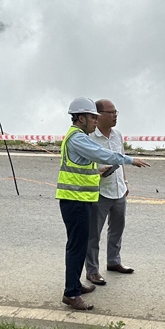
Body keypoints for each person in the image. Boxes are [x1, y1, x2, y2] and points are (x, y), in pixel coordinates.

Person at [57, 98, 150, 311]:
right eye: (92, 117)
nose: (95, 121)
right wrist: (129, 160)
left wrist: (97, 171)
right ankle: (71, 294)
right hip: (75, 200)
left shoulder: (78, 136)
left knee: (78, 246)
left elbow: (85, 165)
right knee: (77, 247)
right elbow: (101, 154)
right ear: (81, 118)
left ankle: (74, 285)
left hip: (80, 199)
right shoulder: (78, 138)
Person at [85, 99, 135, 285]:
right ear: (99, 116)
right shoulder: (90, 137)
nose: (115, 116)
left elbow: (121, 160)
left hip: (118, 188)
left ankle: (114, 261)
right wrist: (99, 171)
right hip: (100, 191)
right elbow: (86, 164)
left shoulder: (117, 135)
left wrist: (125, 181)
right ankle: (92, 270)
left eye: (116, 112)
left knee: (117, 228)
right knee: (93, 233)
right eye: (111, 112)